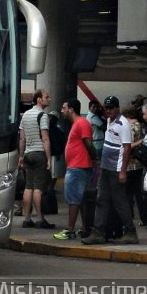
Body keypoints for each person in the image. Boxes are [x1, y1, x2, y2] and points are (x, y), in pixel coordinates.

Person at [82, 95, 139, 245]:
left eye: (111, 108)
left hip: (115, 169)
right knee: (101, 199)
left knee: (119, 201)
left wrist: (123, 171)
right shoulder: (109, 121)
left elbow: (127, 148)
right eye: (106, 108)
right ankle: (98, 232)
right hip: (106, 167)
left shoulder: (123, 124)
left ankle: (130, 231)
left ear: (117, 108)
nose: (108, 111)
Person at [54, 99, 94, 240]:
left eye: (64, 107)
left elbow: (88, 143)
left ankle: (70, 229)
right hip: (77, 166)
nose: (62, 110)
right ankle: (84, 228)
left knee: (73, 199)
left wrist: (94, 158)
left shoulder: (81, 123)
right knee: (80, 198)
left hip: (79, 167)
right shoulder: (77, 124)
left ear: (71, 109)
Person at [18, 89, 55, 229]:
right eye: (46, 97)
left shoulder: (25, 115)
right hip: (39, 153)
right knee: (38, 188)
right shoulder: (43, 115)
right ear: (39, 99)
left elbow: (22, 137)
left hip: (27, 153)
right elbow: (45, 138)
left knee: (28, 187)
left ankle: (27, 218)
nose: (49, 99)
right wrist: (48, 158)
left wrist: (21, 156)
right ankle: (40, 218)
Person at [121, 105, 147, 227]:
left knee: (127, 192)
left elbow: (127, 145)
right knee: (139, 192)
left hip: (129, 163)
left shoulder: (129, 126)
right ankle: (146, 217)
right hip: (138, 162)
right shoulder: (139, 125)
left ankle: (128, 216)